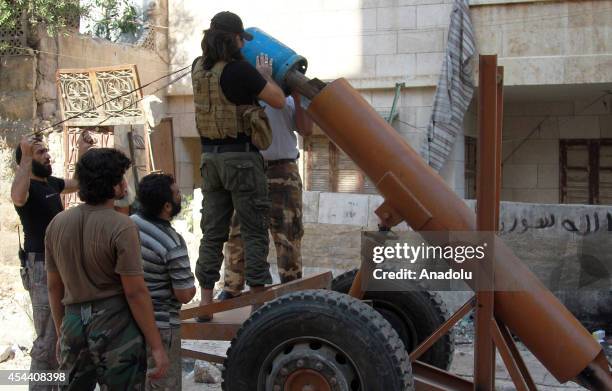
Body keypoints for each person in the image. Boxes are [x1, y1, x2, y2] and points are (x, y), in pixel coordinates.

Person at [45, 148, 169, 390]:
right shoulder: (122, 226)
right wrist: (156, 346)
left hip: (72, 321)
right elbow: (135, 292)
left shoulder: (56, 224)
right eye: (121, 177)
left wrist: (62, 333)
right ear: (111, 184)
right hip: (115, 325)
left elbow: (53, 286)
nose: (124, 183)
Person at [192, 11, 285, 317]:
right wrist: (267, 74)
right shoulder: (239, 70)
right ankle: (259, 302)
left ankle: (205, 303)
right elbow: (278, 100)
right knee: (254, 229)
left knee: (212, 232)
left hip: (209, 160)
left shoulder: (197, 68)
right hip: (241, 158)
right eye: (241, 39)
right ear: (234, 38)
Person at [11, 132, 92, 390]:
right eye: (40, 152)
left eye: (47, 151)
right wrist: (24, 157)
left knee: (63, 333)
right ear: (26, 159)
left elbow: (78, 182)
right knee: (47, 339)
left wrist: (82, 151)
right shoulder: (27, 187)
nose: (47, 156)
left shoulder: (50, 184)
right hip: (40, 266)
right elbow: (17, 197)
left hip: (60, 264)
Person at [220, 94, 313, 299]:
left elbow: (306, 130)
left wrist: (297, 97)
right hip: (250, 169)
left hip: (283, 170)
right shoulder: (246, 88)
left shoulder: (288, 97)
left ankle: (291, 290)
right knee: (238, 231)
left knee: (287, 234)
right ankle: (232, 287)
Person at [131, 173, 196, 390]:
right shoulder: (172, 243)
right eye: (177, 193)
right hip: (161, 326)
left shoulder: (128, 226)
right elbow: (184, 294)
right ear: (167, 206)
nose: (181, 196)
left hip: (128, 321)